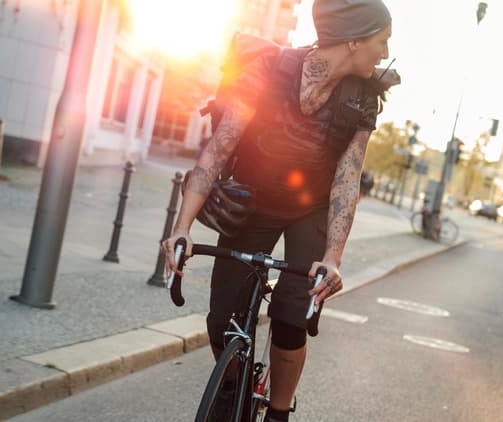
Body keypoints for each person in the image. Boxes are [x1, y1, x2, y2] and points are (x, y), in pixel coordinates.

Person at [162, 1, 394, 421]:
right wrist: (181, 229)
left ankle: (278, 413)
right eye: (382, 40)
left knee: (291, 316)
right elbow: (220, 148)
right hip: (253, 202)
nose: (385, 50)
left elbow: (347, 178)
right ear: (354, 40)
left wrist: (332, 258)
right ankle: (232, 383)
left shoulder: (363, 98)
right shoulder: (268, 70)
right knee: (221, 321)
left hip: (312, 211)